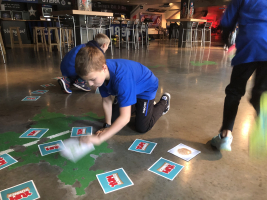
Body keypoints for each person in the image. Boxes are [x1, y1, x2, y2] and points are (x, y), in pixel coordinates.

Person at [75, 46, 171, 145]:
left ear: (104, 68)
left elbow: (125, 118)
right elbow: (106, 100)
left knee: (142, 127)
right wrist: (107, 126)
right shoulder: (99, 73)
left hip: (146, 88)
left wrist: (100, 139)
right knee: (113, 120)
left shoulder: (122, 80)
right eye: (87, 80)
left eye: (92, 79)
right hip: (130, 86)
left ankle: (164, 103)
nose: (90, 84)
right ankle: (135, 103)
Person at [211, 0, 267, 151]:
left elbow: (227, 22)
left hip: (250, 45)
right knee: (261, 93)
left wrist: (227, 43)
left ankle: (225, 135)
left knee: (234, 92)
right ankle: (263, 115)